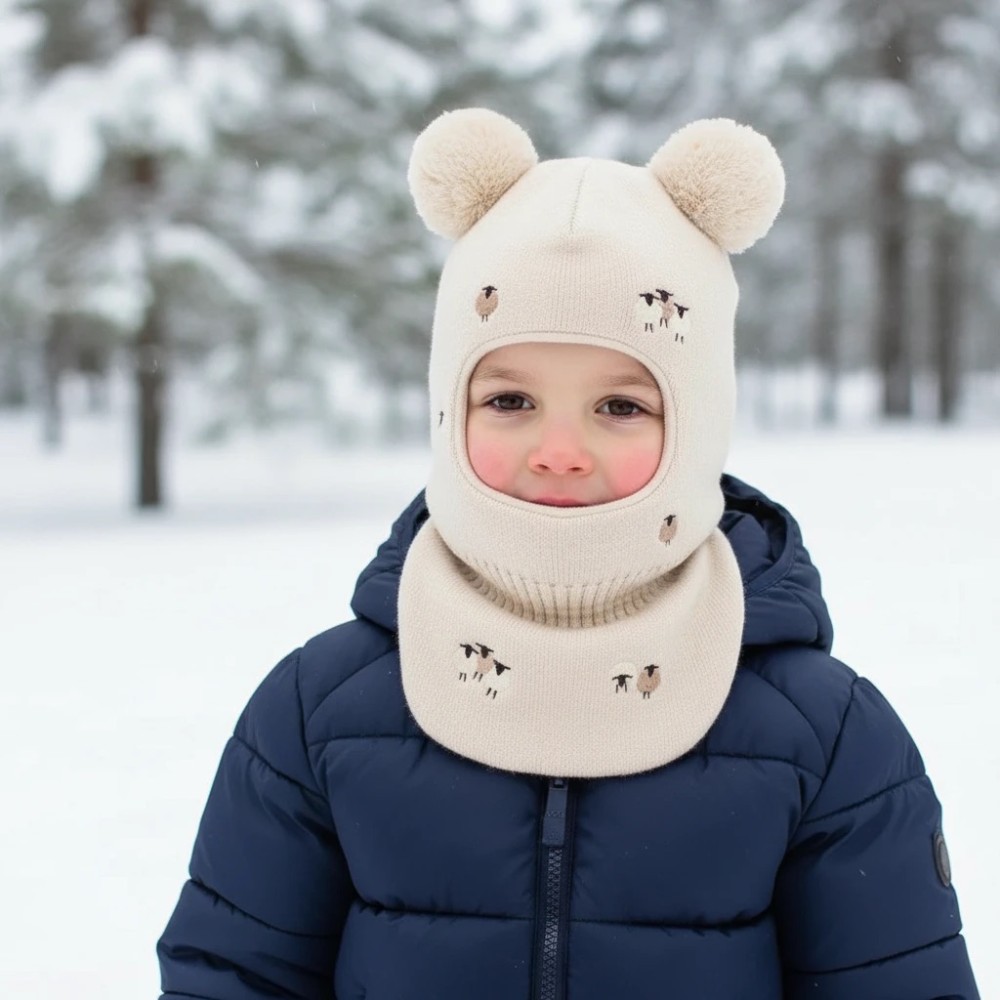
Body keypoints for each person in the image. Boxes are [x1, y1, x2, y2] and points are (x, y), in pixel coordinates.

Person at [157, 109, 980, 999]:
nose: (558, 448)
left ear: (699, 424)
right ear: (447, 409)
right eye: (510, 400)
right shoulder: (319, 713)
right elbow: (232, 979)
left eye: (621, 407)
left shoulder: (825, 736)